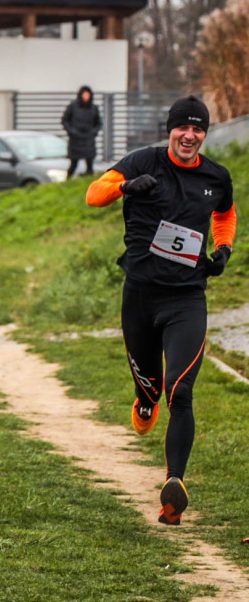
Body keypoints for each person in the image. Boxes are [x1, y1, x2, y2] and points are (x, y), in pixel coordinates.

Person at [85, 95, 237, 526]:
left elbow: (225, 214)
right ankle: (144, 398)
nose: (189, 136)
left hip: (187, 297)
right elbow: (93, 195)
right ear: (170, 129)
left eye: (198, 129)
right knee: (151, 387)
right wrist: (124, 187)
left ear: (205, 133)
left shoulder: (216, 176)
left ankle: (174, 484)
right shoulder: (142, 162)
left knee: (181, 390)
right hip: (140, 296)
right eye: (182, 128)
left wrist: (223, 248)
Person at [61, 85, 102, 178]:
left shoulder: (94, 108)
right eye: (84, 94)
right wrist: (72, 132)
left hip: (88, 140)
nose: (86, 97)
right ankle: (67, 182)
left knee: (90, 165)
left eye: (88, 95)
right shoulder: (73, 107)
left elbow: (99, 123)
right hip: (75, 140)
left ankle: (89, 184)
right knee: (73, 164)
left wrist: (93, 132)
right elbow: (65, 121)